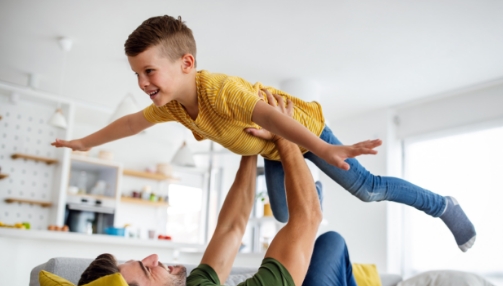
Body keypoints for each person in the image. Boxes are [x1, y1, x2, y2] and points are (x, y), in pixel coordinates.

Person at [52, 15, 475, 252]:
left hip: (303, 130)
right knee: (286, 215)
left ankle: (442, 206)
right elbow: (132, 122)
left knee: (367, 189)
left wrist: (324, 147)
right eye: (137, 74)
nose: (143, 83)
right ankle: (314, 192)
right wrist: (85, 142)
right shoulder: (176, 108)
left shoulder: (219, 91)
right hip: (276, 151)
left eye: (149, 71)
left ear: (185, 63)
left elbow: (272, 119)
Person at [78, 93, 478, 286]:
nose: (153, 258)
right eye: (148, 269)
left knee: (332, 243)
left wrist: (245, 146)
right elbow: (309, 218)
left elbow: (232, 227)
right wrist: (285, 135)